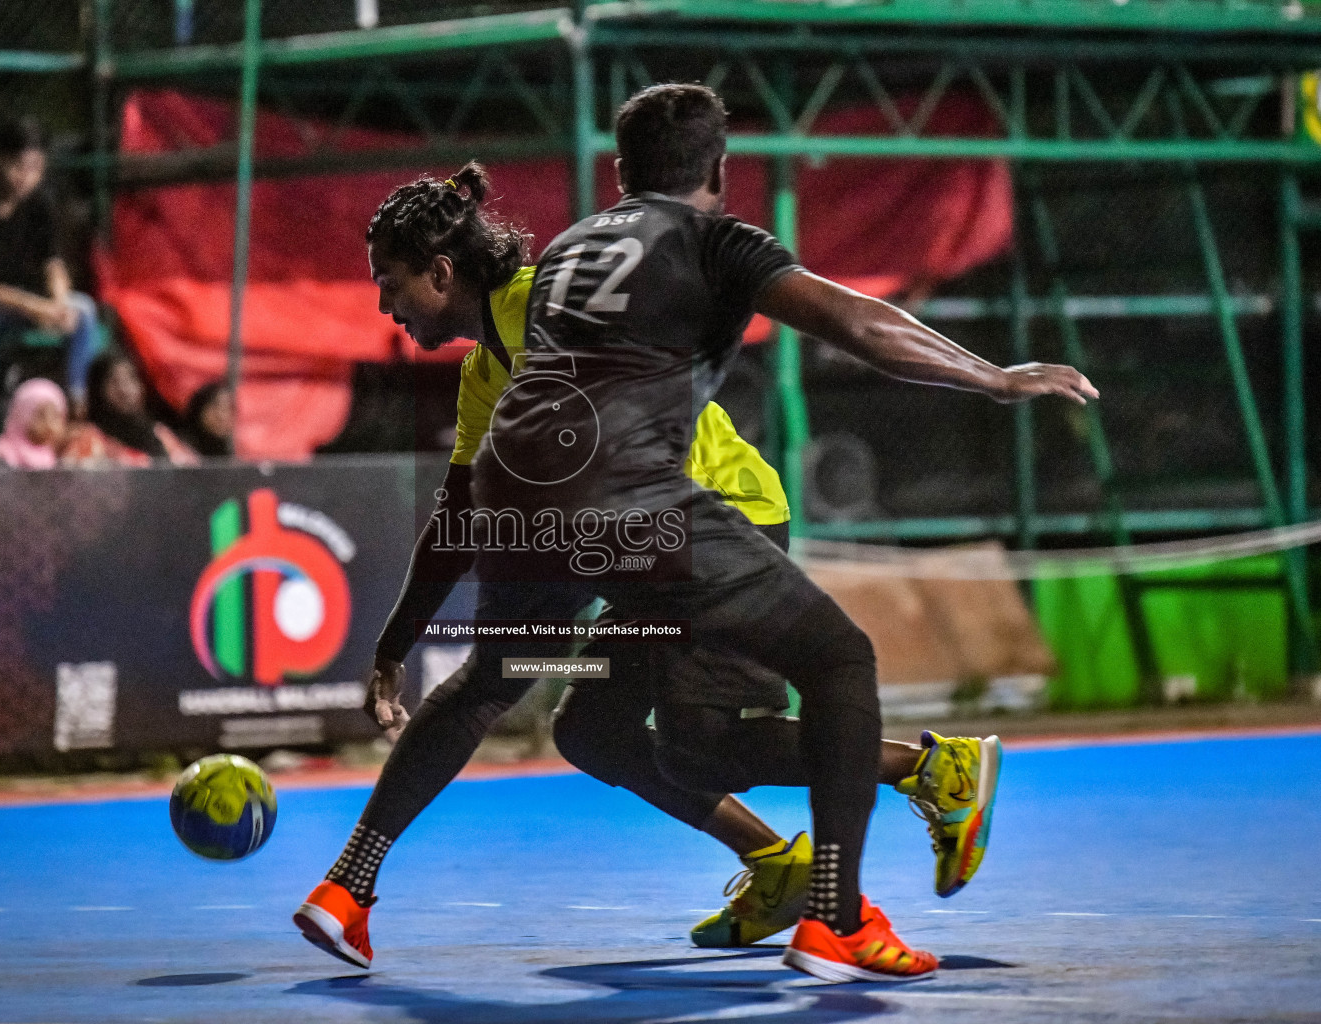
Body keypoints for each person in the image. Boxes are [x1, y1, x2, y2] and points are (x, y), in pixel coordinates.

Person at [294, 159, 1025, 972]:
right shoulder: (484, 373)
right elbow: (462, 512)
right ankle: (351, 887)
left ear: (441, 272)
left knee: (698, 744)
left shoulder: (557, 306)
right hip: (621, 538)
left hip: (716, 518)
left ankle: (934, 772)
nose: (383, 305)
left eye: (389, 283)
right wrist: (395, 646)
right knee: (584, 724)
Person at [0, 116, 100, 419]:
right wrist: (31, 306)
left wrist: (57, 303)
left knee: (83, 310)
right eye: (17, 166)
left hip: (28, 301)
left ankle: (77, 410)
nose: (25, 178)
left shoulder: (41, 202)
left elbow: (53, 264)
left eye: (35, 169)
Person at [66, 351, 196, 466]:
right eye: (114, 382)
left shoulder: (159, 434)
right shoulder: (88, 439)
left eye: (131, 379)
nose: (125, 390)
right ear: (98, 390)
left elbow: (189, 474)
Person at [0, 376, 67, 469]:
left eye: (55, 416)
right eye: (41, 416)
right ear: (22, 414)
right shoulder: (3, 454)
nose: (50, 425)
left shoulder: (48, 454)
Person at [178, 379, 233, 458]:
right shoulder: (178, 447)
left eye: (227, 409)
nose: (222, 416)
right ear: (199, 408)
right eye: (215, 406)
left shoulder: (227, 454)